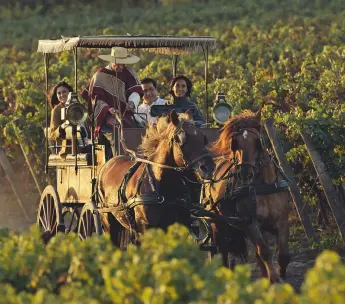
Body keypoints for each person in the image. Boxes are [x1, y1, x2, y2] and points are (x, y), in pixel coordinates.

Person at [81, 47, 143, 158]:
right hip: (104, 119)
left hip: (126, 116)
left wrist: (132, 102)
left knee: (140, 131)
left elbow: (135, 91)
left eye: (122, 63)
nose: (120, 66)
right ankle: (118, 161)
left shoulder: (129, 74)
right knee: (116, 135)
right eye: (117, 63)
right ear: (111, 61)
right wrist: (108, 109)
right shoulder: (100, 75)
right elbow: (95, 99)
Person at [48, 81, 73, 157]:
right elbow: (52, 134)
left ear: (70, 93)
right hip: (67, 148)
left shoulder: (78, 106)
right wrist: (63, 126)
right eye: (59, 93)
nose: (62, 95)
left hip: (83, 143)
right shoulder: (56, 110)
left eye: (64, 92)